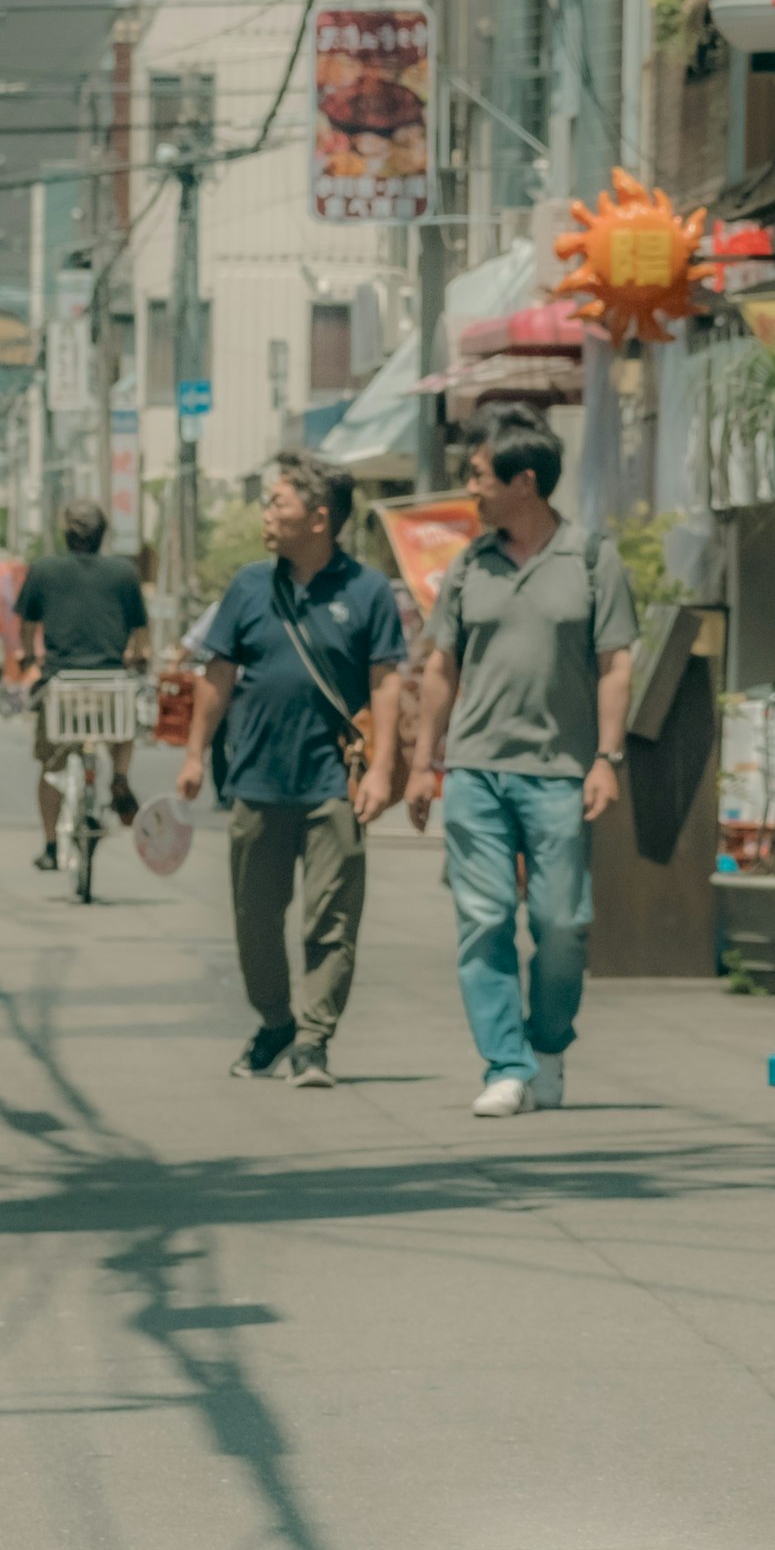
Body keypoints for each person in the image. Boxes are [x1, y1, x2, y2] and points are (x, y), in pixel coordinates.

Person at [407, 413, 637, 1117]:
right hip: (476, 770)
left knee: (563, 922)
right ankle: (506, 1064)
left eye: (479, 477)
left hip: (562, 773)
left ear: (524, 483)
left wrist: (605, 757)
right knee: (484, 918)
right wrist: (424, 764)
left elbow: (615, 664)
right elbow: (440, 667)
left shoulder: (592, 558)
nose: (470, 490)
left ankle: (548, 1043)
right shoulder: (470, 566)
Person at [175, 455, 407, 1089]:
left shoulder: (367, 591)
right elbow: (216, 676)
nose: (267, 515)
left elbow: (387, 684)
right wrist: (197, 754)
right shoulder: (250, 586)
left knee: (330, 922)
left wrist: (383, 769)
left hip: (336, 780)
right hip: (254, 779)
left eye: (278, 503)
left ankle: (312, 1040)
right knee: (255, 920)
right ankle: (275, 1020)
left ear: (319, 518)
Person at [18, 500, 152, 870]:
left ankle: (49, 847)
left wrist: (28, 657)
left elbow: (27, 627)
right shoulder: (124, 573)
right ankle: (120, 776)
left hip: (61, 683)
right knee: (123, 724)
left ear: (67, 535)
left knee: (49, 768)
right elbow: (141, 630)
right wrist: (139, 655)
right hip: (111, 679)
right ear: (102, 535)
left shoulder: (44, 570)